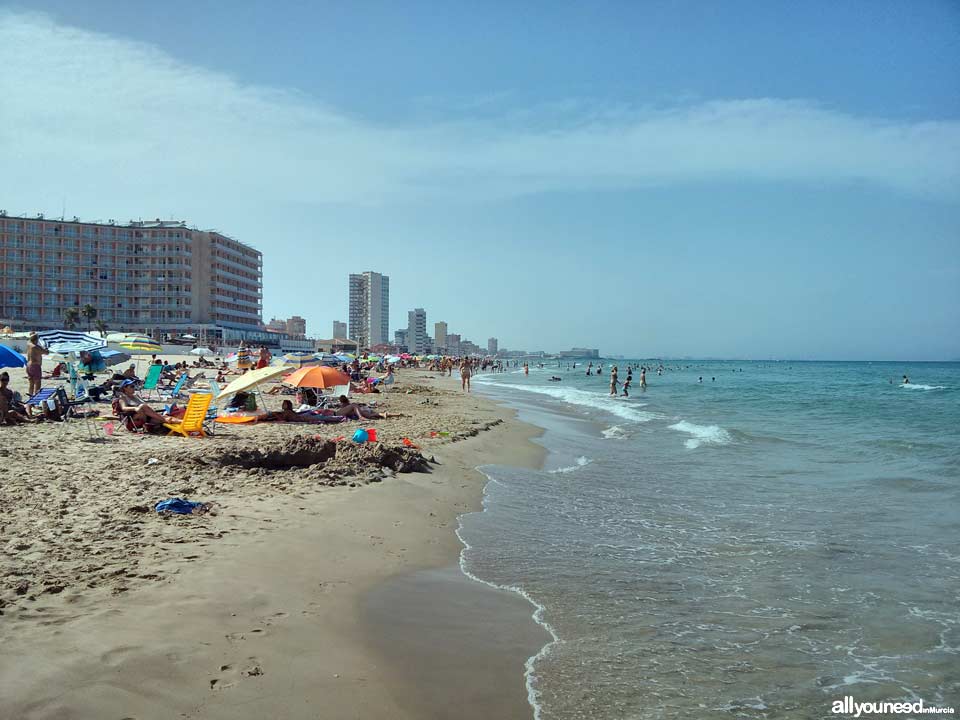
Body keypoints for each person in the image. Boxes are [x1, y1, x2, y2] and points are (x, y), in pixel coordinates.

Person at [335, 395, 402, 420]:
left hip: (361, 412)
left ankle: (385, 414)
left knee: (372, 415)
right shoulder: (348, 406)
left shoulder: (343, 408)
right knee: (375, 414)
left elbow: (349, 412)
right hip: (363, 410)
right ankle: (393, 414)